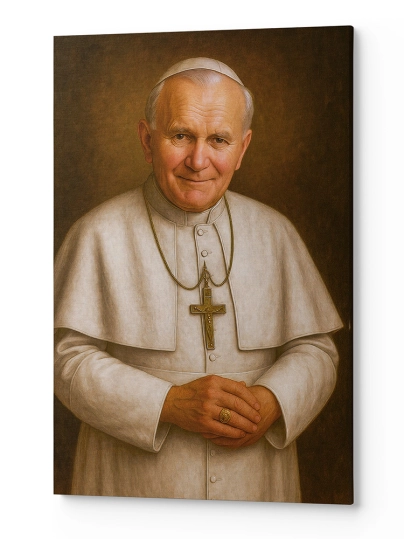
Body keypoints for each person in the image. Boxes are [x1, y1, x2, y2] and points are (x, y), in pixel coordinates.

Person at [54, 57, 343, 502]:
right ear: (147, 140)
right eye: (181, 135)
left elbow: (317, 350)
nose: (198, 160)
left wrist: (273, 400)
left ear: (242, 148)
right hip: (133, 487)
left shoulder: (275, 233)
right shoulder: (98, 233)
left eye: (219, 140)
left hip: (254, 481)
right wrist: (166, 403)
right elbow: (63, 357)